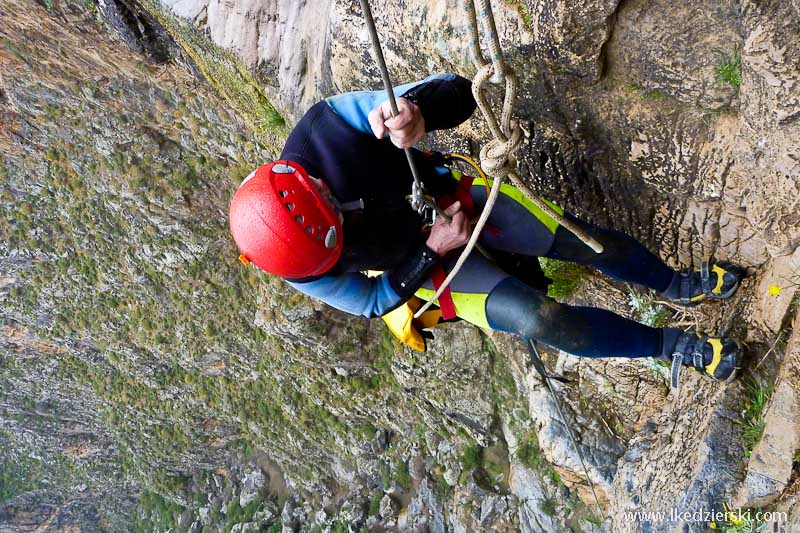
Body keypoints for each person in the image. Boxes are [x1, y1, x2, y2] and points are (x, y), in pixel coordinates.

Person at [229, 73, 743, 385]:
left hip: (454, 196)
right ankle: (673, 349)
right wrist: (430, 250)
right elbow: (371, 301)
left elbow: (459, 92)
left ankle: (678, 285)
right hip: (427, 263)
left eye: (321, 191)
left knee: (580, 240)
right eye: (334, 219)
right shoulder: (304, 267)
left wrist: (416, 112)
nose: (333, 200)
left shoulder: (327, 130)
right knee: (538, 320)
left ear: (295, 174)